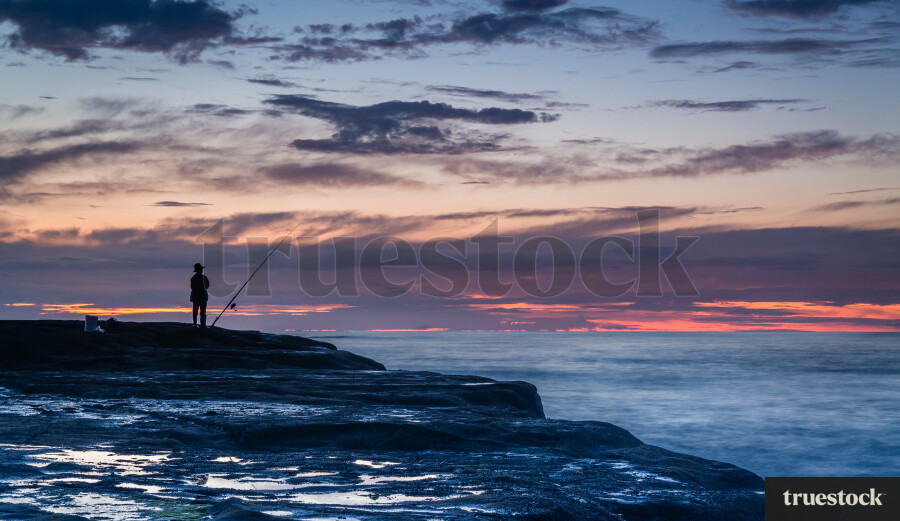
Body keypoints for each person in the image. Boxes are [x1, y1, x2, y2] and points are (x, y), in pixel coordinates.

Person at [190, 263, 210, 328]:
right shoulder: (204, 278)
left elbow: (192, 287)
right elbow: (207, 286)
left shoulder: (193, 278)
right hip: (203, 297)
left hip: (195, 297)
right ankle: (203, 325)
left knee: (195, 311)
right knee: (203, 312)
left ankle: (195, 324)